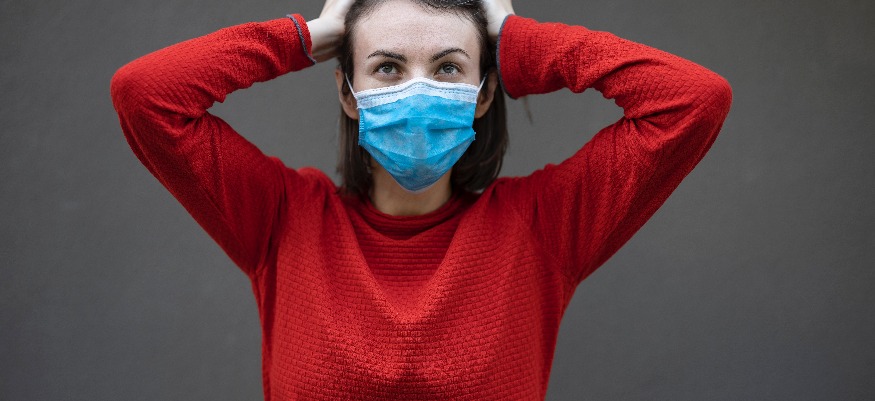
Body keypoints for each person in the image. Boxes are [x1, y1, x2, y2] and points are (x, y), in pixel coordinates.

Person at [110, 0, 731, 399]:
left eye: (447, 69)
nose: (417, 92)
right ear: (348, 93)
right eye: (386, 67)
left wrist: (516, 38)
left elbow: (692, 100)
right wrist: (308, 35)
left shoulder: (543, 227)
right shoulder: (281, 219)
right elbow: (145, 94)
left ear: (484, 94)